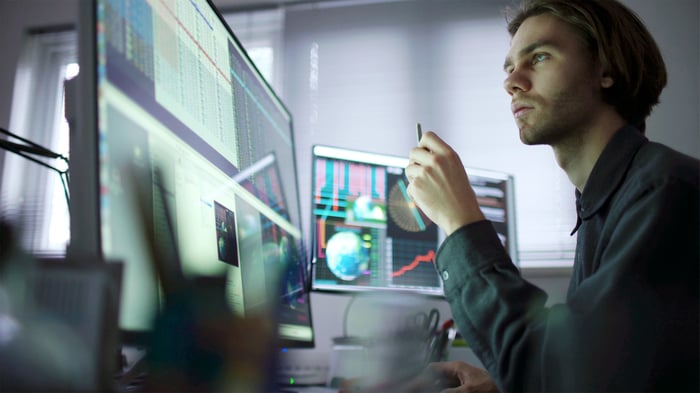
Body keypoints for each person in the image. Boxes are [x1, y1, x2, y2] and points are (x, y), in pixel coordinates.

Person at [404, 0, 700, 391]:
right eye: (510, 68)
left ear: (605, 70)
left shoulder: (664, 192)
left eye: (539, 57)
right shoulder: (608, 200)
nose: (512, 82)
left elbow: (564, 376)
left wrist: (460, 221)